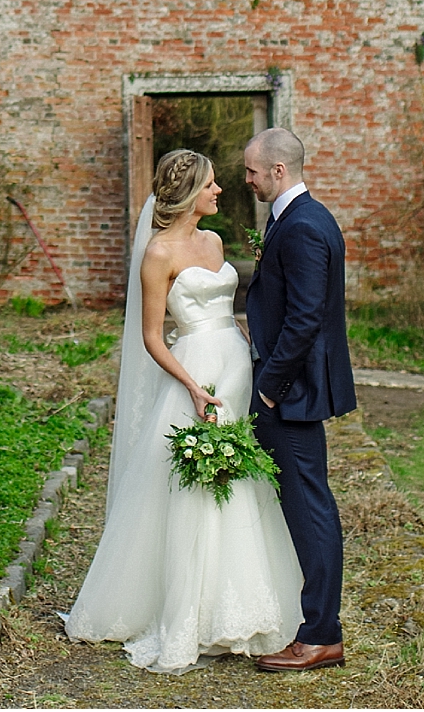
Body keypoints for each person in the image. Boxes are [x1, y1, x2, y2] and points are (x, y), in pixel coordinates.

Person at [63, 149, 302, 673]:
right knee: (194, 483)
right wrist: (192, 386)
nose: (221, 191)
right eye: (213, 185)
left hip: (235, 364)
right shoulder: (157, 253)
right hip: (194, 369)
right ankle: (189, 608)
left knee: (239, 476)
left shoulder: (215, 242)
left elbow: (229, 307)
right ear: (192, 192)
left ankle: (239, 602)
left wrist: (248, 347)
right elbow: (151, 336)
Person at [244, 125, 357, 673]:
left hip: (292, 393)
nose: (247, 180)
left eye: (251, 171)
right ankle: (314, 626)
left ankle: (320, 635)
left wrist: (269, 385)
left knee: (311, 507)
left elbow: (307, 317)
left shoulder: (305, 226)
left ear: (278, 171)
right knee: (304, 501)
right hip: (290, 387)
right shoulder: (295, 218)